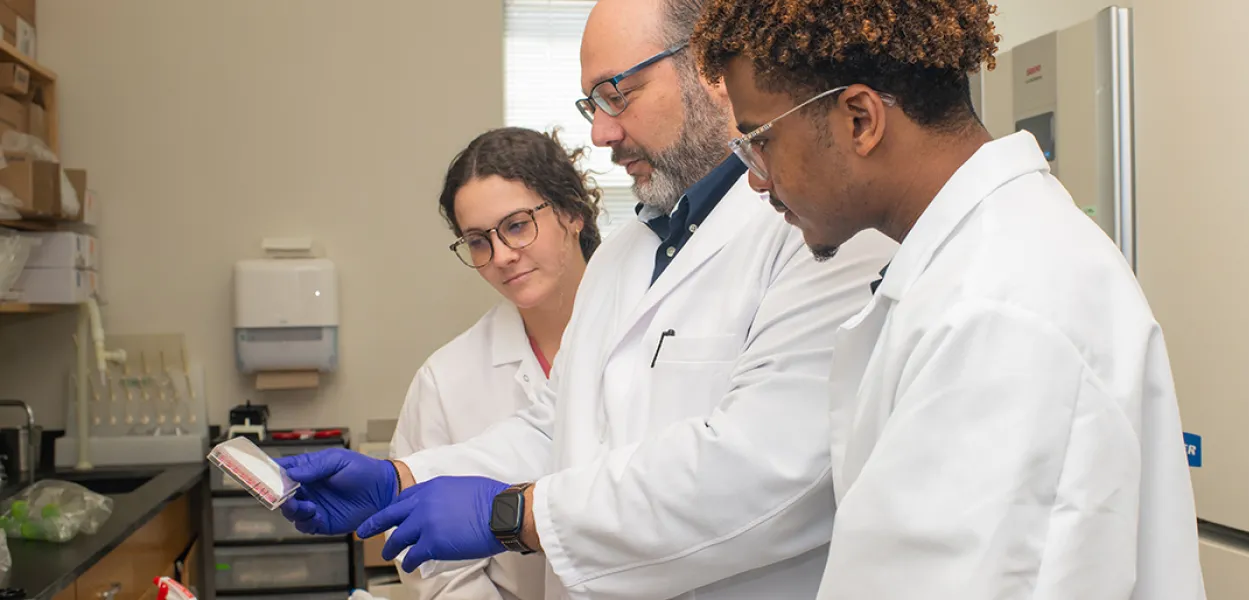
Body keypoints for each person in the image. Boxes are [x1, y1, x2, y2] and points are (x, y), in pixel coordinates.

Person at [274, 0, 897, 599]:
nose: (601, 132)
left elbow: (771, 471)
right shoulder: (625, 257)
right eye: (592, 104)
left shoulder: (820, 227)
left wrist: (514, 514)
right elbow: (559, 426)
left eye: (616, 94)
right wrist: (402, 479)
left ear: (709, 68)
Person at [692, 1, 1207, 598]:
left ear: (860, 119)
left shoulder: (997, 307)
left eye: (761, 141)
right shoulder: (977, 267)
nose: (756, 177)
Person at [388, 127, 603, 600]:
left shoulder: (649, 331)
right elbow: (437, 568)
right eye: (478, 241)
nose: (501, 255)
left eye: (518, 224)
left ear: (571, 212)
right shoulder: (445, 381)